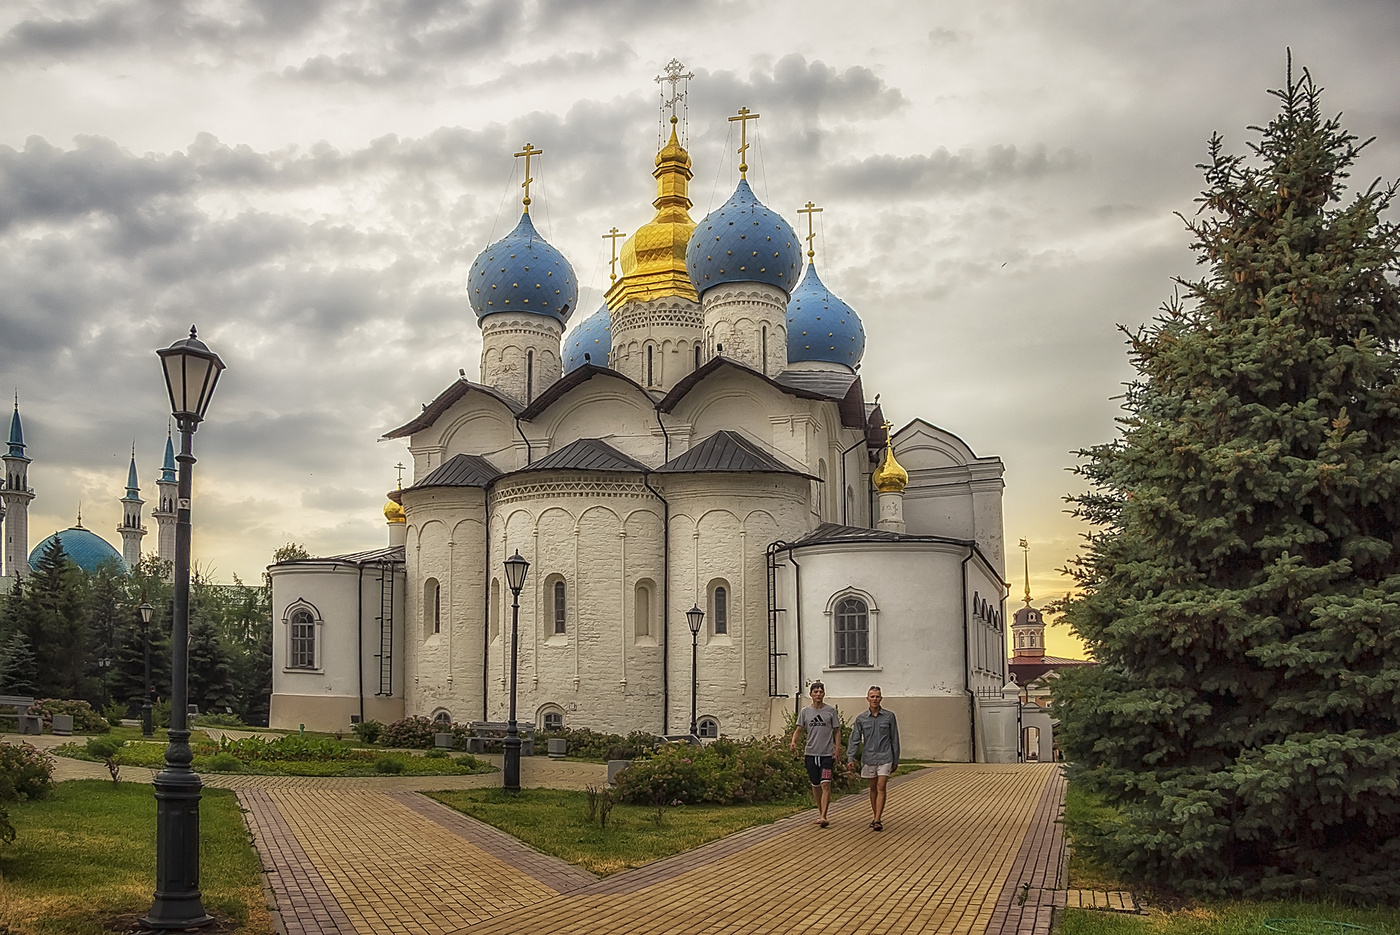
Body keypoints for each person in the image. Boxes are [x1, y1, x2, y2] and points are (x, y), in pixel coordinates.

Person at [845, 685, 899, 831]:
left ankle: (877, 819)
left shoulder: (889, 716)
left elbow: (894, 738)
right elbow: (854, 739)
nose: (875, 699)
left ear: (881, 698)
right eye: (872, 696)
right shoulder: (861, 719)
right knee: (873, 788)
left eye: (877, 696)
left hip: (885, 756)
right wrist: (850, 757)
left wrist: (895, 759)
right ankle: (876, 815)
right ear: (867, 699)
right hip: (869, 757)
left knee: (881, 786)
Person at [789, 681, 841, 827]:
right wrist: (794, 742)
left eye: (820, 692)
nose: (818, 694)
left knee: (826, 784)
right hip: (811, 753)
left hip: (826, 754)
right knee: (815, 784)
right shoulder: (805, 712)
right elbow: (799, 729)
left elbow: (837, 730)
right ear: (811, 694)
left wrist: (837, 748)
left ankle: (824, 815)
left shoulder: (830, 711)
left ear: (824, 694)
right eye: (815, 692)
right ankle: (820, 812)